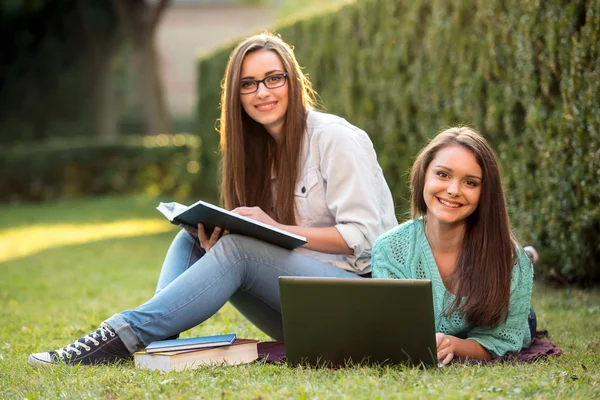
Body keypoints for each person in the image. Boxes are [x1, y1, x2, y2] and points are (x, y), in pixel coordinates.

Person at [28, 33, 398, 366]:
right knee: (193, 234)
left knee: (239, 249)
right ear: (236, 96)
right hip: (302, 307)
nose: (263, 93)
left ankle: (121, 336)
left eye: (274, 79)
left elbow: (364, 240)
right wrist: (218, 241)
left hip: (358, 304)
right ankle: (159, 341)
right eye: (248, 84)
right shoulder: (255, 154)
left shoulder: (335, 138)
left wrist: (274, 229)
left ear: (293, 81)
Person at [371, 127, 535, 364]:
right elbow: (393, 331)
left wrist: (453, 345)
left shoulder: (510, 260)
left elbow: (502, 341)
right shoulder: (389, 250)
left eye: (470, 182)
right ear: (424, 175)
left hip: (509, 320)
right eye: (443, 175)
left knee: (526, 311)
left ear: (484, 193)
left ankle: (529, 260)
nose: (453, 190)